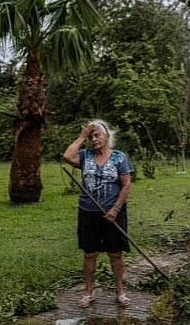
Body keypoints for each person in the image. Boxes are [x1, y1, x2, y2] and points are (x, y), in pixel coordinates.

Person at [63, 120, 134, 308]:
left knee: (115, 253)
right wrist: (82, 136)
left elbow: (126, 185)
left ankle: (120, 290)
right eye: (91, 136)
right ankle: (88, 292)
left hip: (114, 212)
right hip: (88, 212)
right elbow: (67, 156)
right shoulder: (85, 156)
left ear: (107, 137)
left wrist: (115, 208)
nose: (94, 139)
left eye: (97, 135)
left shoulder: (119, 157)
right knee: (90, 253)